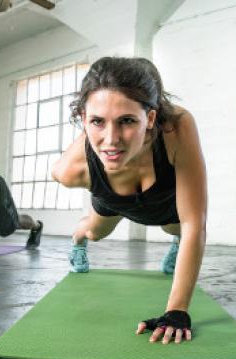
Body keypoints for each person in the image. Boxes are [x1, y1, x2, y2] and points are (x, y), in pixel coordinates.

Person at [51, 56, 207, 344]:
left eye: (126, 121)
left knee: (182, 231)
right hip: (113, 201)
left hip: (163, 201)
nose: (111, 139)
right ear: (84, 120)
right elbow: (63, 168)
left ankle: (174, 247)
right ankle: (78, 245)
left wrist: (177, 310)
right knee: (93, 232)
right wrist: (91, 133)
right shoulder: (72, 170)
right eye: (97, 121)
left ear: (150, 118)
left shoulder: (177, 128)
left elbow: (195, 222)